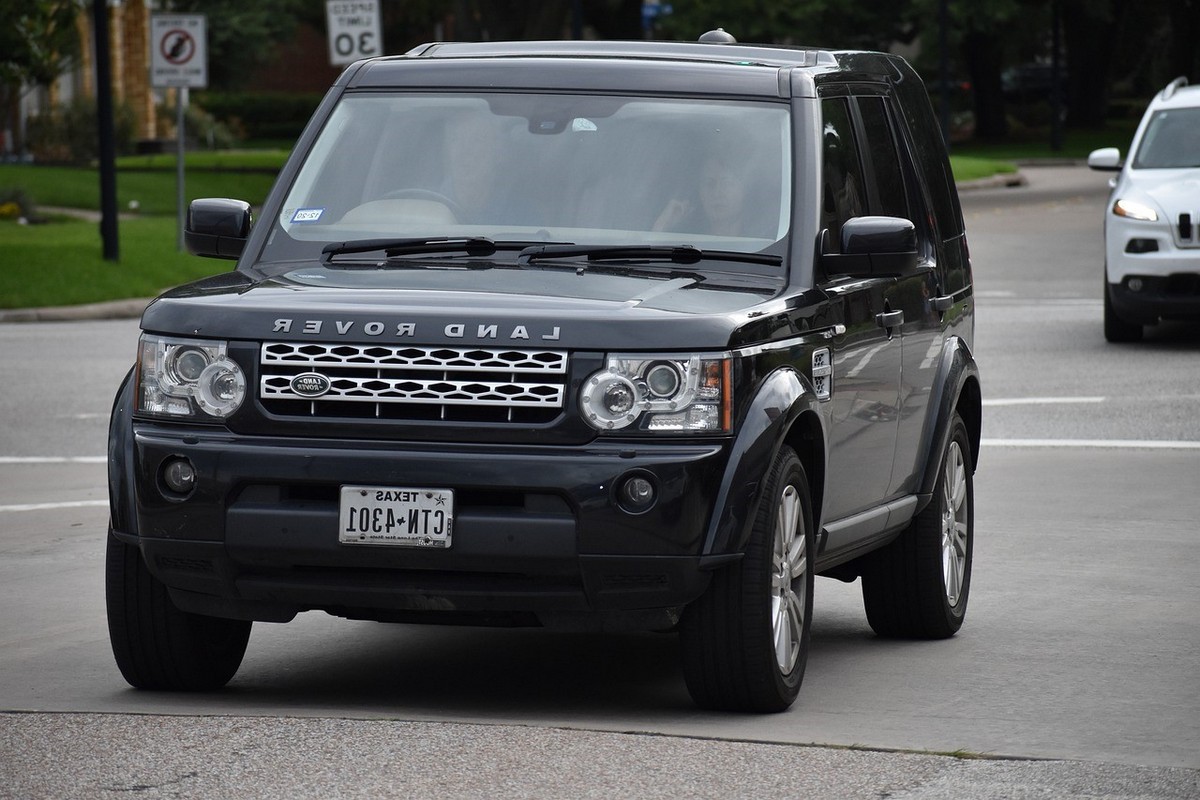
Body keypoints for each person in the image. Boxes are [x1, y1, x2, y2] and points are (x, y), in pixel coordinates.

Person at [653, 149, 749, 236]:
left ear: (744, 189)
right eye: (709, 183)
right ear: (699, 193)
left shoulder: (760, 239)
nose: (717, 193)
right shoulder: (686, 245)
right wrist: (662, 226)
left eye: (726, 183)